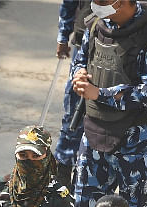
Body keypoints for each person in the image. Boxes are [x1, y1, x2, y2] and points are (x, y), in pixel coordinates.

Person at [70, 0, 147, 207]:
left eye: (103, 2)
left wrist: (100, 94)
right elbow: (81, 60)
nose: (97, 5)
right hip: (94, 132)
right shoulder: (96, 24)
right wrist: (79, 74)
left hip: (133, 141)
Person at [54, 1, 92, 188]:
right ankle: (62, 173)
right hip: (82, 44)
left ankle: (84, 175)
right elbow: (69, 3)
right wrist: (63, 35)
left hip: (117, 49)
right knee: (73, 114)